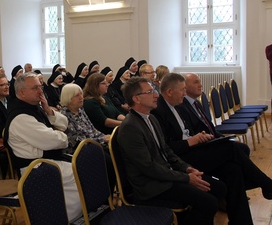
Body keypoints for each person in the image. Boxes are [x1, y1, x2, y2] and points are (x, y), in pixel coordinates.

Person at [152, 73, 272, 224]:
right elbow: (167, 147)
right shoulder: (159, 111)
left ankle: (242, 221)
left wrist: (198, 136)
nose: (184, 93)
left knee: (233, 170)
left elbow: (187, 131)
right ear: (170, 91)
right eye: (182, 89)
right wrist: (192, 141)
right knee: (232, 149)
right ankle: (265, 183)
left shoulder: (176, 105)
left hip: (192, 149)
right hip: (182, 158)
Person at [117, 77, 226, 225]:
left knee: (219, 188)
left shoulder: (151, 118)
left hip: (164, 175)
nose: (156, 95)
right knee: (209, 202)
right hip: (151, 186)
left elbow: (166, 150)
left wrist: (187, 168)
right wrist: (186, 178)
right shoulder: (130, 127)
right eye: (150, 92)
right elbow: (149, 168)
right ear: (136, 98)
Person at [3, 72, 81, 220]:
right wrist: (60, 134)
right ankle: (65, 218)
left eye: (40, 87)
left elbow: (64, 123)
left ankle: (77, 214)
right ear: (22, 92)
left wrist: (48, 110)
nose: (40, 91)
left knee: (83, 166)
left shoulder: (35, 107)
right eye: (35, 88)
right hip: (34, 169)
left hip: (47, 160)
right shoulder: (21, 117)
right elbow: (59, 141)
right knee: (79, 172)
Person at [59, 84, 116, 187]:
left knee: (117, 152)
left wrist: (104, 137)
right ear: (68, 97)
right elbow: (76, 140)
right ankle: (106, 197)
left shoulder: (80, 110)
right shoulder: (63, 115)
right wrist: (102, 139)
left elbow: (92, 130)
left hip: (93, 144)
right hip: (79, 150)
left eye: (81, 94)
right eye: (77, 95)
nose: (82, 97)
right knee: (108, 162)